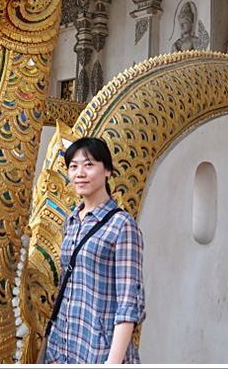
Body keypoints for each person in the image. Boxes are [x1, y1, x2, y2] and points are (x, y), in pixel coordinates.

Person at [44, 137, 146, 364]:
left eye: (89, 165)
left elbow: (129, 302)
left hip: (99, 351)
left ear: (107, 170)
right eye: (73, 166)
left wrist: (112, 362)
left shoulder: (121, 225)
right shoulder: (71, 221)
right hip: (63, 348)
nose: (80, 173)